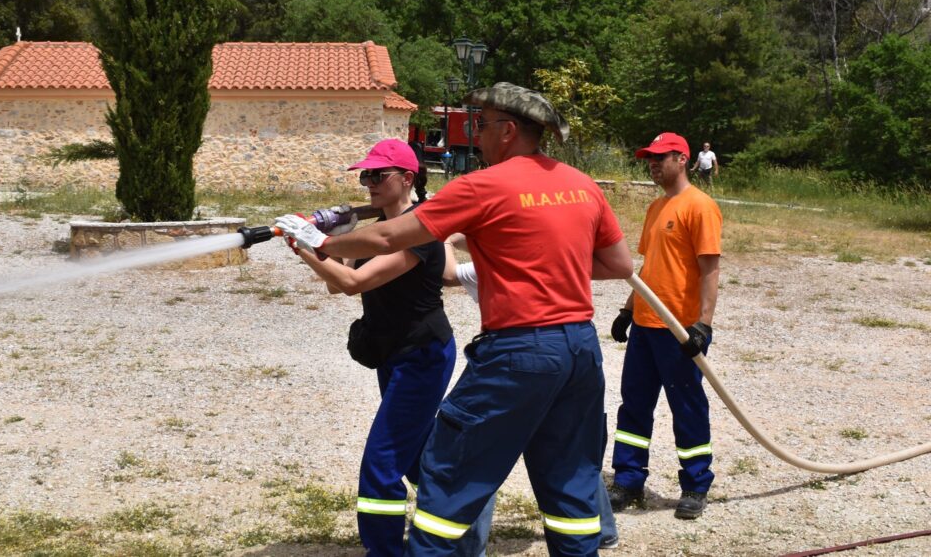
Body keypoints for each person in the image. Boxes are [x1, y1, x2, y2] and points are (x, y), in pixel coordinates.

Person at [277, 82, 634, 556]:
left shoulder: (484, 185)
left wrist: (319, 242)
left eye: (481, 125)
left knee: (448, 474)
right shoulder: (581, 184)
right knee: (570, 482)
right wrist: (536, 266)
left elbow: (389, 240)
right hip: (579, 350)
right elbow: (619, 265)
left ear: (508, 131)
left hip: (518, 352)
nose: (476, 135)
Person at [284, 138, 456, 556]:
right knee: (415, 457)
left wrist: (306, 243)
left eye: (379, 175)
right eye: (366, 175)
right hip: (391, 352)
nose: (369, 183)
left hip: (423, 354)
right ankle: (464, 511)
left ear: (407, 178)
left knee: (382, 462)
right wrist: (336, 238)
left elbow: (353, 285)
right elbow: (334, 282)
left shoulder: (419, 232)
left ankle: (383, 549)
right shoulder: (376, 230)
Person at [442, 235, 620, 551]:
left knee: (480, 454)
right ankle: (602, 529)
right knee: (572, 453)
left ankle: (468, 548)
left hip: (513, 365)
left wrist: (447, 238)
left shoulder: (484, 271)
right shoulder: (554, 265)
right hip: (572, 356)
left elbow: (448, 274)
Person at [608, 132, 722, 521]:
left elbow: (710, 269)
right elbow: (649, 267)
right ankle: (627, 479)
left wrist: (703, 325)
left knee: (686, 407)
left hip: (680, 330)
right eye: (649, 158)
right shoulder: (657, 207)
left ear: (683, 159)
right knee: (634, 406)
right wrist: (627, 309)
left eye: (661, 157)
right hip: (645, 325)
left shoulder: (700, 206)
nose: (654, 164)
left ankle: (694, 485)